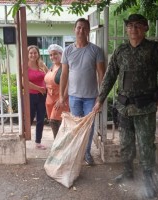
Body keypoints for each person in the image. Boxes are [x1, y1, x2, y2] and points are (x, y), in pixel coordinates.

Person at [92, 14, 158, 198]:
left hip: (145, 107)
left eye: (138, 26)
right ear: (126, 28)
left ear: (145, 28)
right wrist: (100, 99)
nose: (133, 29)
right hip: (123, 107)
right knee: (126, 143)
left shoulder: (154, 50)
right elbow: (109, 77)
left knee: (146, 146)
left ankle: (148, 181)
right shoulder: (121, 51)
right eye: (130, 26)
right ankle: (128, 172)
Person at [59, 18, 106, 165]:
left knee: (89, 127)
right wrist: (61, 95)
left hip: (91, 97)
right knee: (76, 127)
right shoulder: (67, 51)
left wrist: (100, 98)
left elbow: (101, 75)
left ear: (88, 31)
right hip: (74, 97)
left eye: (84, 28)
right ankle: (77, 152)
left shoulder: (95, 51)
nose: (81, 31)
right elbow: (64, 75)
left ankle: (86, 153)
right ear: (74, 29)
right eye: (79, 28)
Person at [44, 44, 70, 138]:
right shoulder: (51, 67)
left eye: (55, 54)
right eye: (51, 55)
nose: (52, 57)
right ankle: (57, 144)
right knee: (52, 123)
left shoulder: (65, 67)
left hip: (60, 100)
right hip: (49, 100)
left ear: (61, 54)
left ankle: (60, 145)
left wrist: (62, 99)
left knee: (56, 122)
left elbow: (68, 84)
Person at [27, 45, 49, 150]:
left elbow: (49, 76)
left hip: (42, 96)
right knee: (29, 119)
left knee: (40, 119)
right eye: (31, 53)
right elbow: (24, 82)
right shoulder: (25, 66)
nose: (33, 55)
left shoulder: (41, 65)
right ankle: (24, 140)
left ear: (38, 54)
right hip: (30, 96)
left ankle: (38, 142)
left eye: (35, 53)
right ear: (28, 54)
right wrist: (39, 88)